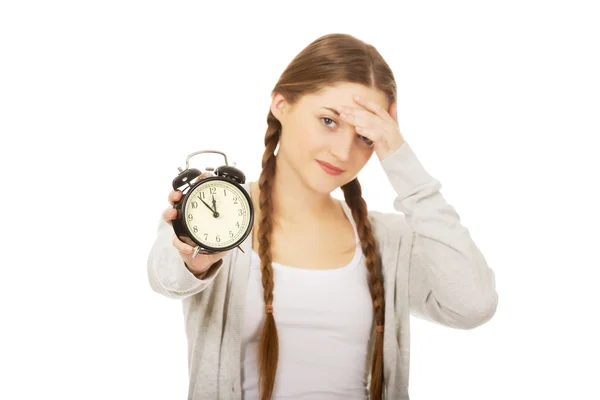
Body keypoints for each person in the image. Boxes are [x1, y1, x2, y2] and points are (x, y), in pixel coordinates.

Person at [147, 33, 498, 400]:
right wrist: (196, 256)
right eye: (329, 121)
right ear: (281, 104)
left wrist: (402, 161)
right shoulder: (213, 214)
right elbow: (166, 276)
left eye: (365, 137)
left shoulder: (387, 241)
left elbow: (473, 306)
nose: (343, 151)